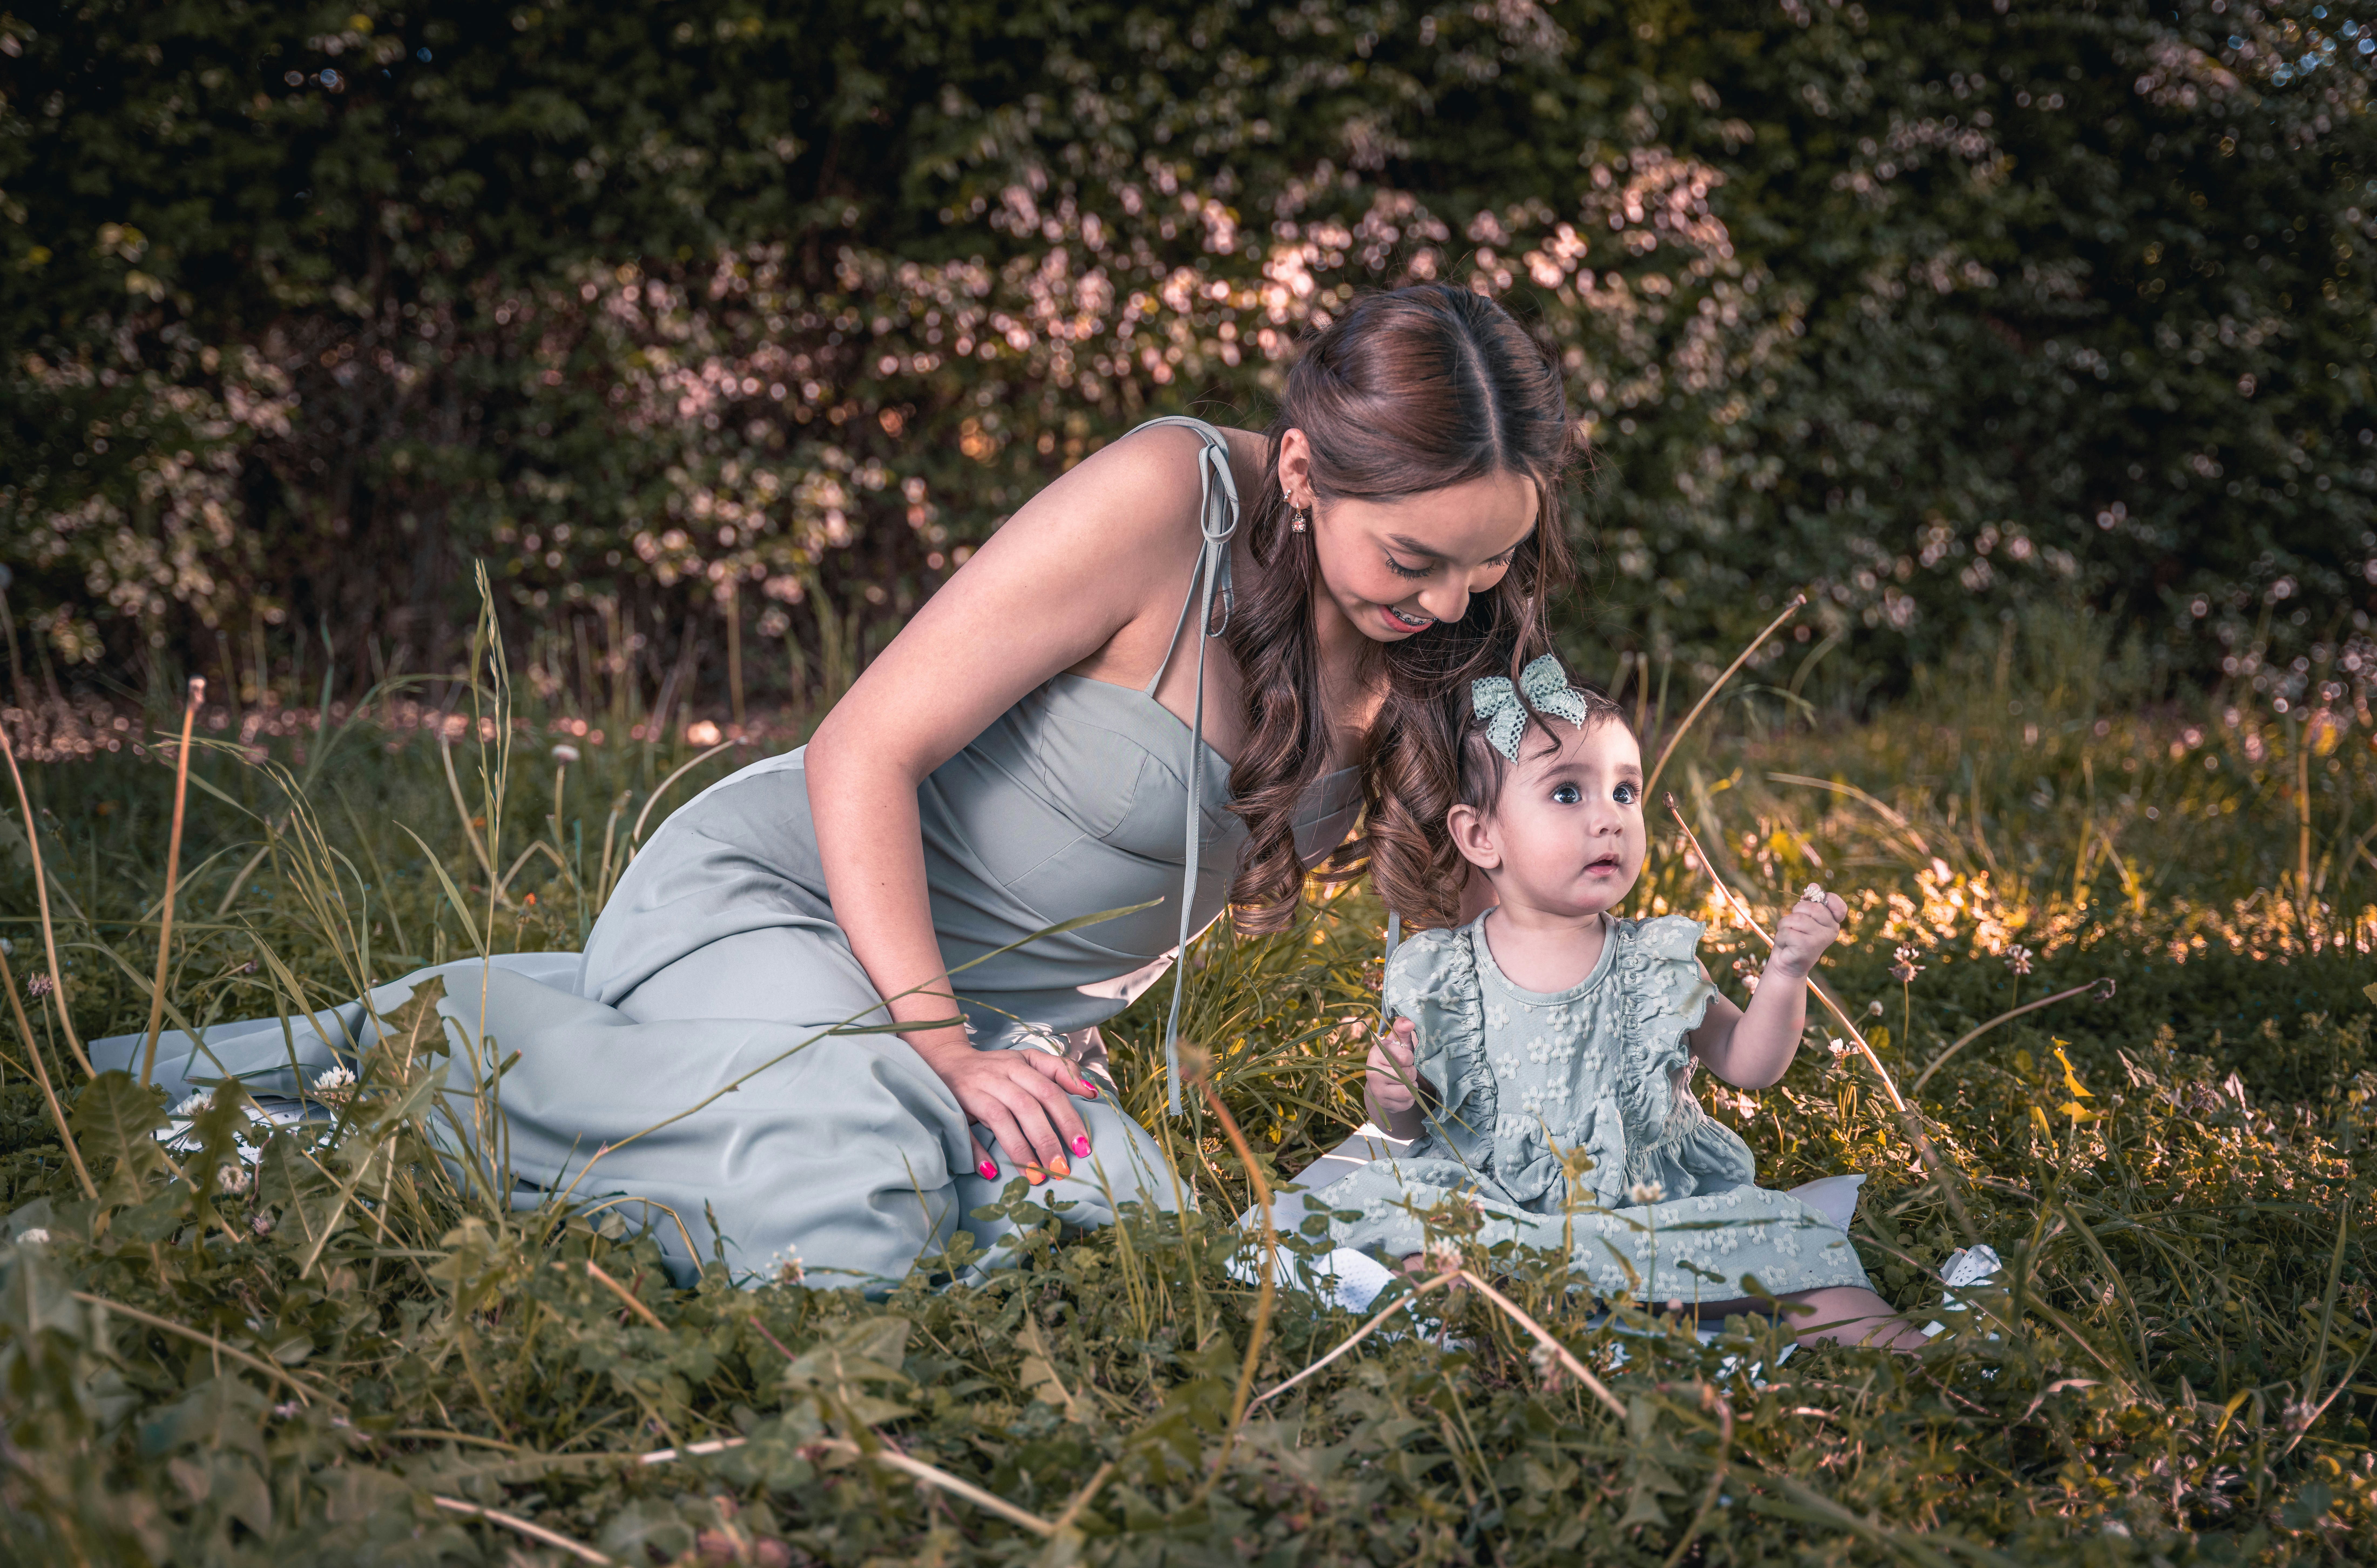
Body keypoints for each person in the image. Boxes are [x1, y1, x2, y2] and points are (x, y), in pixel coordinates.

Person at [96, 283, 1579, 1288]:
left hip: (1006, 1016)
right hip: (787, 894)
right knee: (856, 1177)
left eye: (1488, 559)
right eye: (1415, 559)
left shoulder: (1441, 642)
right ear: (1309, 469)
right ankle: (450, 1046)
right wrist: (945, 1051)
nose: (1451, 603)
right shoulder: (1164, 500)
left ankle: (737, 1076)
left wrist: (1064, 1035)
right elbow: (861, 748)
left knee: (1122, 1225)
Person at [1270, 653, 1923, 1349]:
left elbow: (1748, 1064)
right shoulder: (1442, 974)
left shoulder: (1653, 963)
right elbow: (1408, 1136)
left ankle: (1948, 1369)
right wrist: (1392, 1101)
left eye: (1625, 793)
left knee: (1808, 1271)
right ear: (1480, 836)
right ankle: (1502, 1330)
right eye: (1567, 795)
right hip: (1495, 1212)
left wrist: (1787, 973)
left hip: (1648, 1219)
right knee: (1415, 1244)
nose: (1610, 820)